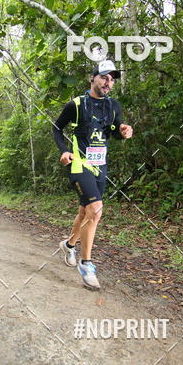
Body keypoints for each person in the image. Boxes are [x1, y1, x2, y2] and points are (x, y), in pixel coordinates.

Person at [52, 60, 133, 289]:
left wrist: (123, 131)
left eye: (112, 79)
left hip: (100, 166)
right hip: (79, 165)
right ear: (93, 78)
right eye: (104, 77)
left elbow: (114, 131)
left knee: (85, 212)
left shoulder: (113, 106)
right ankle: (86, 264)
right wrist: (64, 150)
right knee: (96, 210)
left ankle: (69, 245)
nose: (108, 82)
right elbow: (56, 128)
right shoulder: (76, 105)